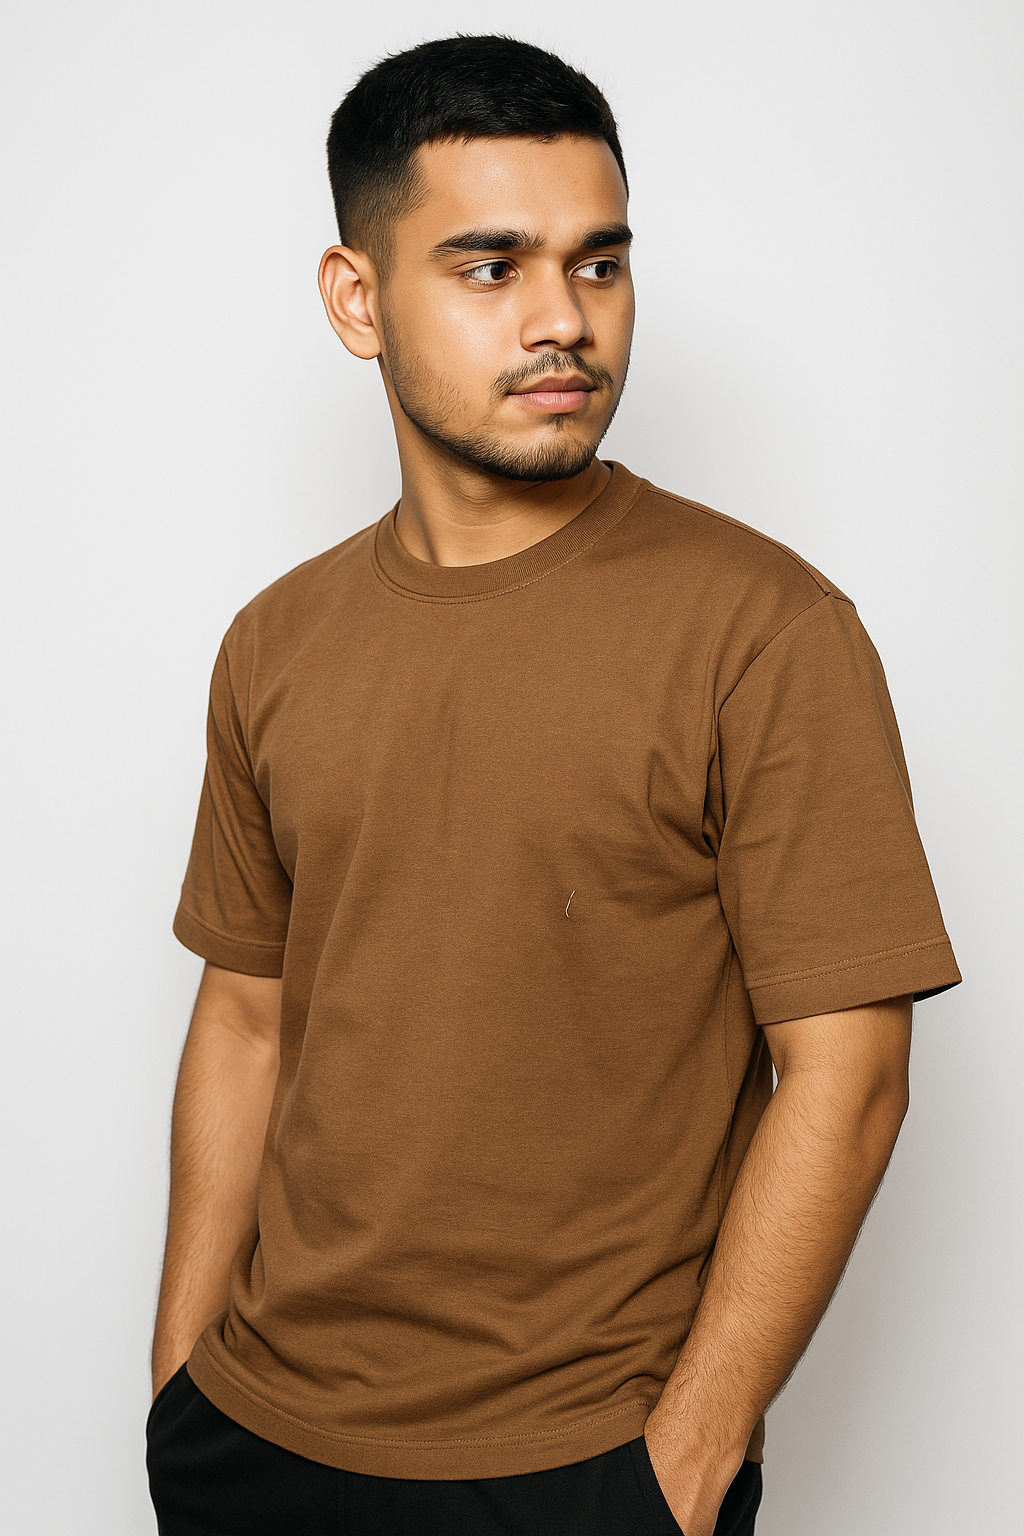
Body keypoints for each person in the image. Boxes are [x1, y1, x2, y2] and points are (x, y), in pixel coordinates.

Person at [146, 34, 961, 1536]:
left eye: (599, 264)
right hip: (256, 1440)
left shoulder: (766, 630)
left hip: (586, 1465)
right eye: (490, 267)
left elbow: (849, 1075)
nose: (563, 321)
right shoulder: (275, 641)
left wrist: (683, 1468)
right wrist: (179, 1386)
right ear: (356, 299)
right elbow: (247, 1016)